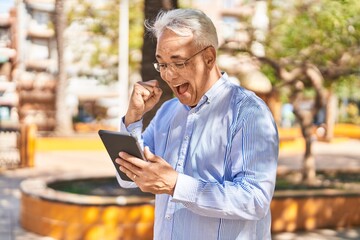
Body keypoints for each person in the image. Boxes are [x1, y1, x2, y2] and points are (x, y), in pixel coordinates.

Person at [115, 8, 278, 240]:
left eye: (178, 63)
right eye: (161, 64)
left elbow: (255, 200)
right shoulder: (167, 112)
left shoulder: (248, 112)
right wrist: (133, 118)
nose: (168, 75)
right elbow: (128, 176)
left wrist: (176, 185)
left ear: (209, 57)